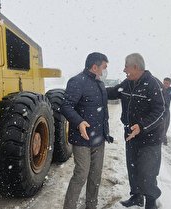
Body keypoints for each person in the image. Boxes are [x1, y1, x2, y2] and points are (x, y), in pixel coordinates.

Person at [107, 53, 165, 209]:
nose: (124, 70)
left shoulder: (153, 84)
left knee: (147, 172)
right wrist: (95, 87)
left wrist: (142, 126)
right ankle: (137, 197)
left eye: (126, 66)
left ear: (135, 67)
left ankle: (151, 202)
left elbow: (160, 111)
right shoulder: (127, 83)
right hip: (130, 135)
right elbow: (112, 92)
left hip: (149, 138)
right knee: (133, 169)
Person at [61, 52, 113, 209]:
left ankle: (91, 205)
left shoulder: (100, 84)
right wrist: (79, 122)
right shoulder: (77, 81)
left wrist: (106, 133)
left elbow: (103, 112)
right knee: (81, 175)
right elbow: (66, 106)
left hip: (99, 139)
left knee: (95, 176)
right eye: (104, 67)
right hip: (82, 139)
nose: (105, 71)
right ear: (94, 66)